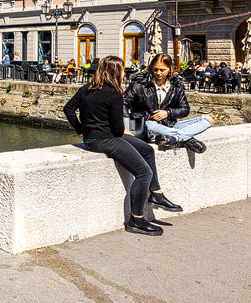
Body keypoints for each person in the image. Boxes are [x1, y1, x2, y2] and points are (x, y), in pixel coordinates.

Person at [63, 55, 180, 236]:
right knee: (143, 172)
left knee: (147, 150)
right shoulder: (114, 94)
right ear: (116, 71)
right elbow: (117, 129)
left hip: (92, 139)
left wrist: (81, 130)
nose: (124, 72)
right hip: (107, 140)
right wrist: (125, 132)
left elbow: (68, 109)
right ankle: (137, 219)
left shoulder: (86, 89)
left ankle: (156, 193)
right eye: (123, 69)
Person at [124, 53, 210, 154]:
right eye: (155, 69)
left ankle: (171, 137)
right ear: (151, 68)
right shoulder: (139, 85)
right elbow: (123, 103)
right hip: (146, 124)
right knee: (151, 125)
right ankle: (185, 138)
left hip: (169, 125)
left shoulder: (176, 87)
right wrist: (126, 123)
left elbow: (185, 109)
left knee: (207, 120)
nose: (158, 73)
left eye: (162, 70)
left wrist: (168, 112)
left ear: (170, 69)